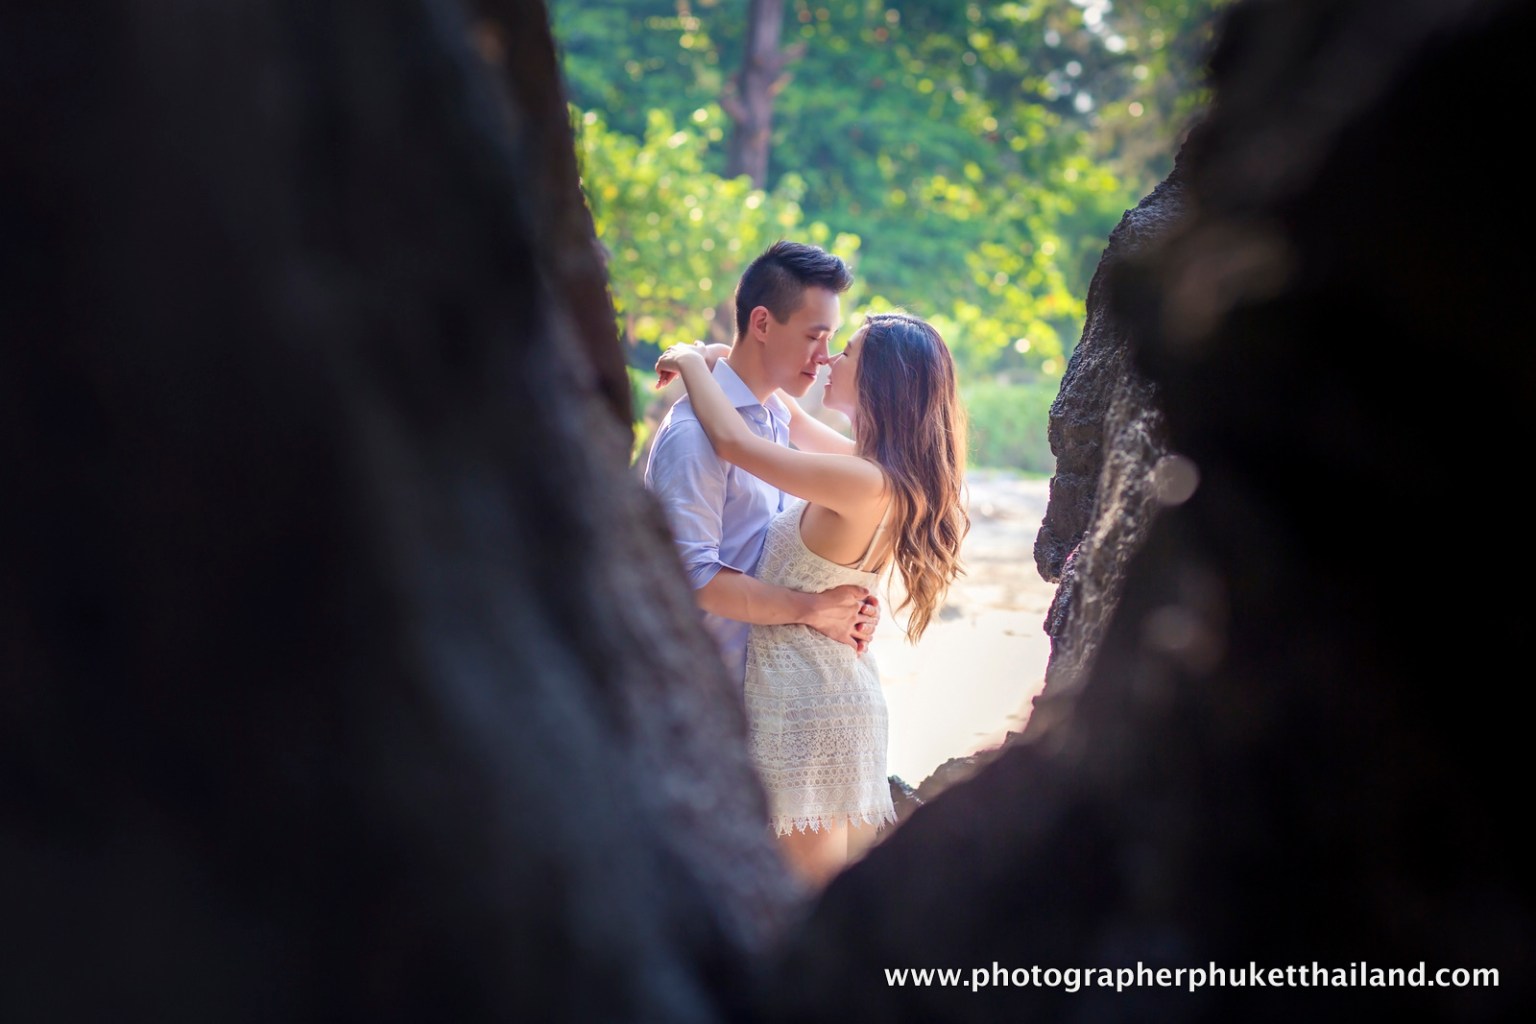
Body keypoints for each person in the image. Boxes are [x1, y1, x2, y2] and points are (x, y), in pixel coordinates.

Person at [654, 311, 969, 886]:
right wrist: (729, 354)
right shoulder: (875, 471)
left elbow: (731, 440)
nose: (827, 359)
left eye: (845, 353)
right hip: (836, 692)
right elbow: (787, 414)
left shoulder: (862, 480)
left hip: (803, 707)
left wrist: (688, 360)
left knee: (804, 914)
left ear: (878, 379)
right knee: (830, 907)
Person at [643, 241, 878, 693]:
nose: (825, 356)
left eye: (832, 340)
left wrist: (850, 609)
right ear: (763, 323)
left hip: (772, 694)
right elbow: (691, 577)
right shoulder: (696, 435)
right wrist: (814, 608)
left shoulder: (778, 420)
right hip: (707, 696)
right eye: (815, 336)